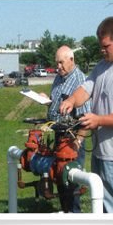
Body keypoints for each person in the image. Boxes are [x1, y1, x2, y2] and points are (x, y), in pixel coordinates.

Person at [59, 17, 113, 213]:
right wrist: (71, 101)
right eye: (100, 46)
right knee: (103, 207)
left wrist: (98, 120)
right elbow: (86, 89)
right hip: (101, 152)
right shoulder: (102, 66)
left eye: (106, 46)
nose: (102, 50)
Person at [39, 45, 92, 213]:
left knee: (71, 180)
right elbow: (58, 101)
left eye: (61, 63)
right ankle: (66, 214)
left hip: (72, 140)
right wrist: (48, 100)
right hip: (59, 136)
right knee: (60, 178)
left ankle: (74, 215)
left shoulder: (80, 81)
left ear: (71, 60)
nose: (58, 67)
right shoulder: (59, 77)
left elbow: (85, 117)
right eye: (56, 63)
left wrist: (76, 143)